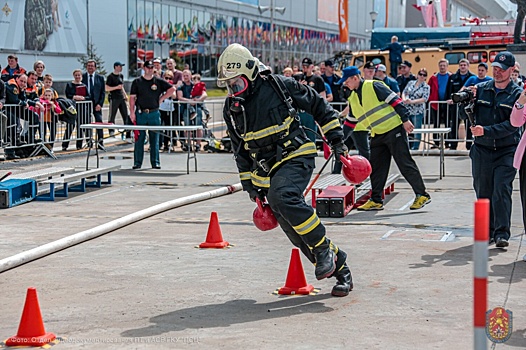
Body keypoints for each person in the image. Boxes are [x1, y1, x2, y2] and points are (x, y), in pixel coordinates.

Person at [217, 43, 352, 297]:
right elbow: (240, 151)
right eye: (229, 86)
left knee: (283, 196)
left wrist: (336, 140)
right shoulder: (232, 109)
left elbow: (319, 107)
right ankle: (340, 268)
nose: (233, 91)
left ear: (250, 74)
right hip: (266, 170)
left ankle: (324, 249)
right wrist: (250, 188)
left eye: (237, 84)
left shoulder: (279, 86)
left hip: (296, 155)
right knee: (294, 228)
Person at [339, 66, 431, 211]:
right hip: (378, 134)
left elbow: (396, 101)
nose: (345, 84)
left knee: (404, 163)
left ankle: (422, 194)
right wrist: (338, 141)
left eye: (346, 81)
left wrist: (405, 120)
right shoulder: (353, 98)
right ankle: (376, 200)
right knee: (377, 168)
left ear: (355, 78)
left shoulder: (374, 86)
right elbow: (350, 123)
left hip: (394, 129)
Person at [468, 51, 522, 248]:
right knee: (483, 190)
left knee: (501, 189)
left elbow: (513, 125)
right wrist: (467, 101)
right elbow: (466, 115)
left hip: (506, 151)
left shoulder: (517, 94)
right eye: (495, 69)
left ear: (511, 70)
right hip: (482, 150)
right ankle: (486, 231)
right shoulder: (481, 89)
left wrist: (487, 131)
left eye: (501, 69)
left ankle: (501, 233)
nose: (497, 72)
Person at [129, 59, 175, 170]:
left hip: (154, 112)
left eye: (152, 68)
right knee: (139, 139)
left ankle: (155, 162)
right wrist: (131, 112)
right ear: (144, 68)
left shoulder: (158, 81)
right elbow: (132, 98)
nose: (150, 70)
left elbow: (172, 89)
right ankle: (137, 162)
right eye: (148, 67)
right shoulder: (137, 82)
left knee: (155, 139)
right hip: (141, 112)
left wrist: (161, 99)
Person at [446, 58, 475, 150]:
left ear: (468, 66)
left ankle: (469, 145)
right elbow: (449, 90)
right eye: (461, 65)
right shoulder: (453, 77)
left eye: (464, 65)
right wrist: (450, 100)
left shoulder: (472, 77)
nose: (463, 67)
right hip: (455, 105)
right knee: (454, 125)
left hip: (467, 105)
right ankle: (453, 145)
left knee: (469, 125)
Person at [462, 62, 492, 150]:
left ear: (486, 71)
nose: (480, 72)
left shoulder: (490, 80)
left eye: (482, 70)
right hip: (472, 107)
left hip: (483, 107)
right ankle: (468, 145)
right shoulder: (472, 79)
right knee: (470, 126)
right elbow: (463, 88)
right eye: (479, 70)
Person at [402, 68, 430, 150]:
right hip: (407, 110)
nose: (421, 76)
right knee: (408, 129)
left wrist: (412, 101)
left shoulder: (426, 87)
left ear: (425, 77)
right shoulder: (411, 83)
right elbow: (404, 92)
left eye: (424, 75)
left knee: (417, 129)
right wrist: (404, 99)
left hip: (417, 111)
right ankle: (409, 146)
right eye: (420, 74)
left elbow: (425, 99)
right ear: (417, 75)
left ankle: (416, 147)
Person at [428, 58, 451, 148]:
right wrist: (431, 99)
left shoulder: (451, 76)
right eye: (441, 65)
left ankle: (448, 142)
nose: (442, 67)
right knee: (436, 123)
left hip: (447, 103)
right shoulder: (433, 77)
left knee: (447, 123)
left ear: (447, 66)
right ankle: (436, 142)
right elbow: (428, 88)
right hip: (435, 103)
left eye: (444, 65)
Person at [63, 69, 89, 151]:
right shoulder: (70, 85)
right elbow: (67, 94)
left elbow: (88, 96)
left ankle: (79, 145)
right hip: (72, 108)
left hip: (81, 108)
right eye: (76, 75)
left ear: (81, 76)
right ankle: (65, 144)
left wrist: (83, 98)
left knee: (80, 127)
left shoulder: (84, 85)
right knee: (70, 126)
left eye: (79, 75)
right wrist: (74, 97)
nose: (77, 77)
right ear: (74, 76)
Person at [82, 59, 106, 148]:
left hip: (97, 104)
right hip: (86, 104)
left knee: (99, 121)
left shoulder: (100, 78)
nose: (90, 67)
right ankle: (89, 142)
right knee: (87, 122)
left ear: (95, 67)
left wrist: (100, 104)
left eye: (92, 66)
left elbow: (103, 93)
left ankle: (100, 142)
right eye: (88, 66)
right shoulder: (83, 77)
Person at [106, 61, 131, 139]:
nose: (121, 68)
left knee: (125, 114)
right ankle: (111, 131)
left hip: (121, 97)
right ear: (116, 67)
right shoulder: (110, 77)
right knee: (112, 115)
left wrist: (125, 94)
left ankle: (127, 131)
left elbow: (121, 86)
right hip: (114, 97)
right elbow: (107, 88)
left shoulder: (121, 76)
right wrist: (116, 87)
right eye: (120, 66)